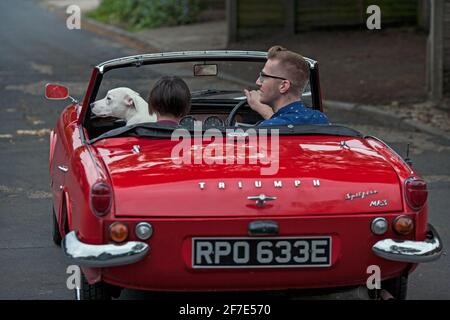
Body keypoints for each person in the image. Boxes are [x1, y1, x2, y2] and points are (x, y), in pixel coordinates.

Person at [244, 45, 329, 126]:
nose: (258, 82)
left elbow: (279, 126)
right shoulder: (320, 119)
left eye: (263, 76)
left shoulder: (267, 129)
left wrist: (266, 112)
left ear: (283, 86)